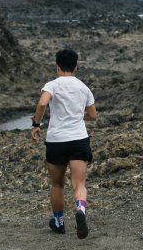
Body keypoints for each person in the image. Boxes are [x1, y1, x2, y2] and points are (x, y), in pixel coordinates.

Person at [30, 48, 97, 239]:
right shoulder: (84, 88)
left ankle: (59, 223)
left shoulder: (52, 85)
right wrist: (77, 116)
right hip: (79, 140)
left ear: (57, 66)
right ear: (76, 67)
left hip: (57, 141)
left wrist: (36, 124)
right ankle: (80, 210)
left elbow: (43, 103)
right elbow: (93, 116)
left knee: (57, 184)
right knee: (79, 184)